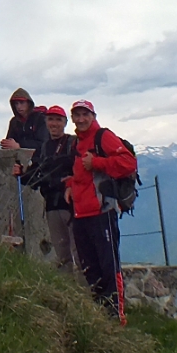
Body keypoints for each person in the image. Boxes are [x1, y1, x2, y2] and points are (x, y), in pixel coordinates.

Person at [63, 100, 137, 323]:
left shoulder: (102, 136)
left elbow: (128, 163)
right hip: (81, 215)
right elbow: (77, 172)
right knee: (90, 268)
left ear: (93, 116)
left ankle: (116, 316)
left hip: (102, 213)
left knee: (109, 266)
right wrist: (69, 187)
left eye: (85, 114)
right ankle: (101, 314)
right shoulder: (77, 143)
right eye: (77, 115)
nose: (81, 119)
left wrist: (97, 162)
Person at [19, 105, 78, 273]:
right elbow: (32, 177)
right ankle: (68, 293)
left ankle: (85, 293)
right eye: (51, 119)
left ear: (65, 123)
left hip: (72, 206)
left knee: (79, 252)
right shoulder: (43, 148)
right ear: (46, 122)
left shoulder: (72, 143)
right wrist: (21, 173)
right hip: (52, 205)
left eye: (58, 120)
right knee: (62, 254)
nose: (54, 123)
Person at [1, 88, 47, 153]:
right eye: (16, 103)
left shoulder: (40, 119)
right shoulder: (14, 122)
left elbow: (43, 144)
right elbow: (10, 142)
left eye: (22, 103)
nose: (19, 106)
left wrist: (20, 145)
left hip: (38, 160)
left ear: (29, 103)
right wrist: (6, 144)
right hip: (18, 160)